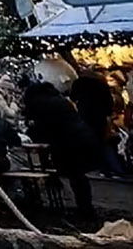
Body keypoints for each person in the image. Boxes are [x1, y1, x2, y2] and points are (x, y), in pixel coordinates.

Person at [23, 81, 101, 219]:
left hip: (67, 141)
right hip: (80, 138)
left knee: (74, 175)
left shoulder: (39, 103)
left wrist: (33, 133)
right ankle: (85, 208)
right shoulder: (59, 99)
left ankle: (83, 209)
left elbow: (42, 127)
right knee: (78, 176)